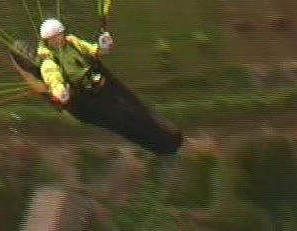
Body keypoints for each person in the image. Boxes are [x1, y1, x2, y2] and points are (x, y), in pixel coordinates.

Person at [25, 18, 182, 156]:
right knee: (120, 119)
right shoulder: (48, 62)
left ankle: (162, 133)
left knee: (133, 109)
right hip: (85, 97)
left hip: (100, 85)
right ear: (47, 41)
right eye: (53, 38)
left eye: (58, 35)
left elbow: (93, 50)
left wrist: (103, 45)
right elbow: (54, 79)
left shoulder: (73, 43)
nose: (57, 40)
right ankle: (158, 144)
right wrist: (61, 93)